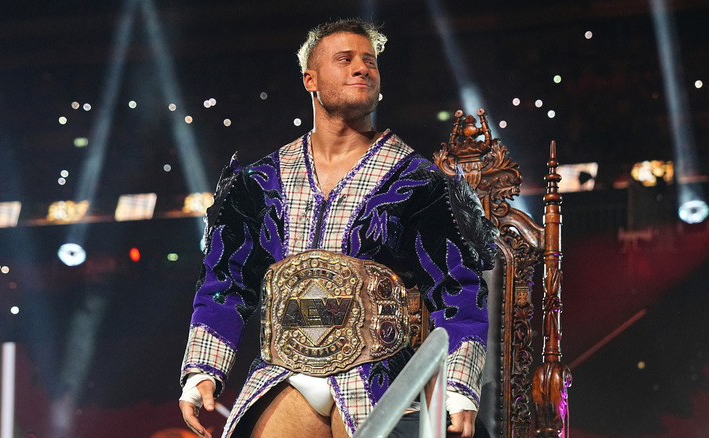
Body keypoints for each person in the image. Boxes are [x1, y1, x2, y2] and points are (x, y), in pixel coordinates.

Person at [178, 18, 497, 438]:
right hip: (283, 374)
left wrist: (458, 391)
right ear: (310, 79)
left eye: (370, 61)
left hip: (382, 377)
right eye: (345, 59)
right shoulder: (257, 182)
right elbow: (226, 281)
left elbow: (459, 290)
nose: (361, 68)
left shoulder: (420, 182)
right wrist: (203, 370)